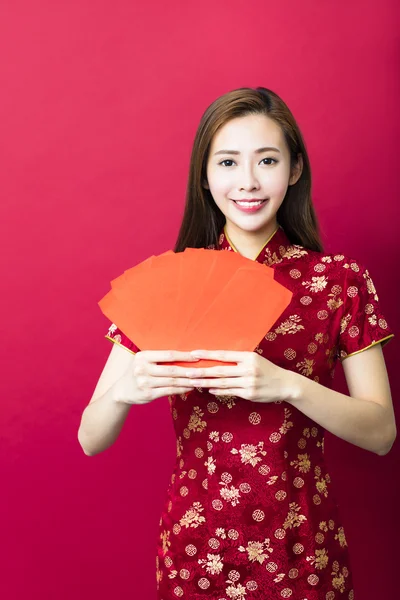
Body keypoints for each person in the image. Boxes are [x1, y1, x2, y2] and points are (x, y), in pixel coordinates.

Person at [78, 87, 396, 599]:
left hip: (303, 550)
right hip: (196, 548)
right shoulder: (172, 283)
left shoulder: (338, 282)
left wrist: (287, 385)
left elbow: (381, 432)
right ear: (205, 177)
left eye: (266, 160)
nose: (247, 181)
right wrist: (124, 392)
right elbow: (90, 439)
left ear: (294, 169)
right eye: (227, 162)